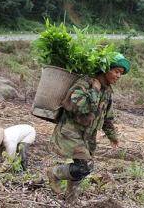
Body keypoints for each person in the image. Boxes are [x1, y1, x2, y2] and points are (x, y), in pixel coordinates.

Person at [47, 53, 131, 203]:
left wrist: (113, 136)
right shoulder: (85, 83)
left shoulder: (107, 92)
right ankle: (54, 173)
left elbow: (107, 118)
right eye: (116, 71)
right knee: (85, 166)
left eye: (121, 73)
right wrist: (95, 91)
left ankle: (71, 200)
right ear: (106, 68)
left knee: (81, 167)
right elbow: (74, 105)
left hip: (87, 136)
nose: (119, 75)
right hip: (70, 133)